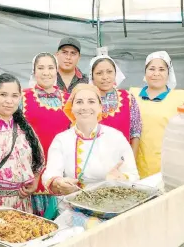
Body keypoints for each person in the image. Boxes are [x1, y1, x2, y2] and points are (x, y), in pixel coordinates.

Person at [42, 84, 139, 212]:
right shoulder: (61, 139)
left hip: (109, 209)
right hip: (71, 210)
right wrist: (59, 182)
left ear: (100, 107)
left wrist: (120, 179)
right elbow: (51, 173)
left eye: (91, 101)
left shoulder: (116, 137)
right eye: (79, 102)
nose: (85, 107)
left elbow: (133, 176)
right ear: (72, 107)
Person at [0, 73, 44, 213]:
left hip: (22, 202)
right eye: (3, 95)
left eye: (14, 96)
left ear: (20, 98)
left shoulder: (24, 127)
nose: (9, 101)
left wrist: (35, 181)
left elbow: (39, 159)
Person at [130, 51, 184, 179]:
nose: (156, 73)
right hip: (136, 163)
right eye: (151, 69)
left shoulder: (180, 99)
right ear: (145, 72)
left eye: (162, 69)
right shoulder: (131, 95)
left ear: (169, 73)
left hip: (168, 165)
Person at [24, 52, 70, 217]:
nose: (46, 72)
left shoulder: (69, 100)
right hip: (32, 173)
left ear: (56, 70)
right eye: (41, 68)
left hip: (62, 173)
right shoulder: (23, 97)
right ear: (34, 71)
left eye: (50, 67)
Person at [89, 55, 142, 158]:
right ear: (92, 77)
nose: (105, 77)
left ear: (115, 74)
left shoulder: (128, 98)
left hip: (121, 161)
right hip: (92, 160)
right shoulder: (87, 100)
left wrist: (131, 160)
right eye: (99, 73)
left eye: (109, 72)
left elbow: (135, 133)